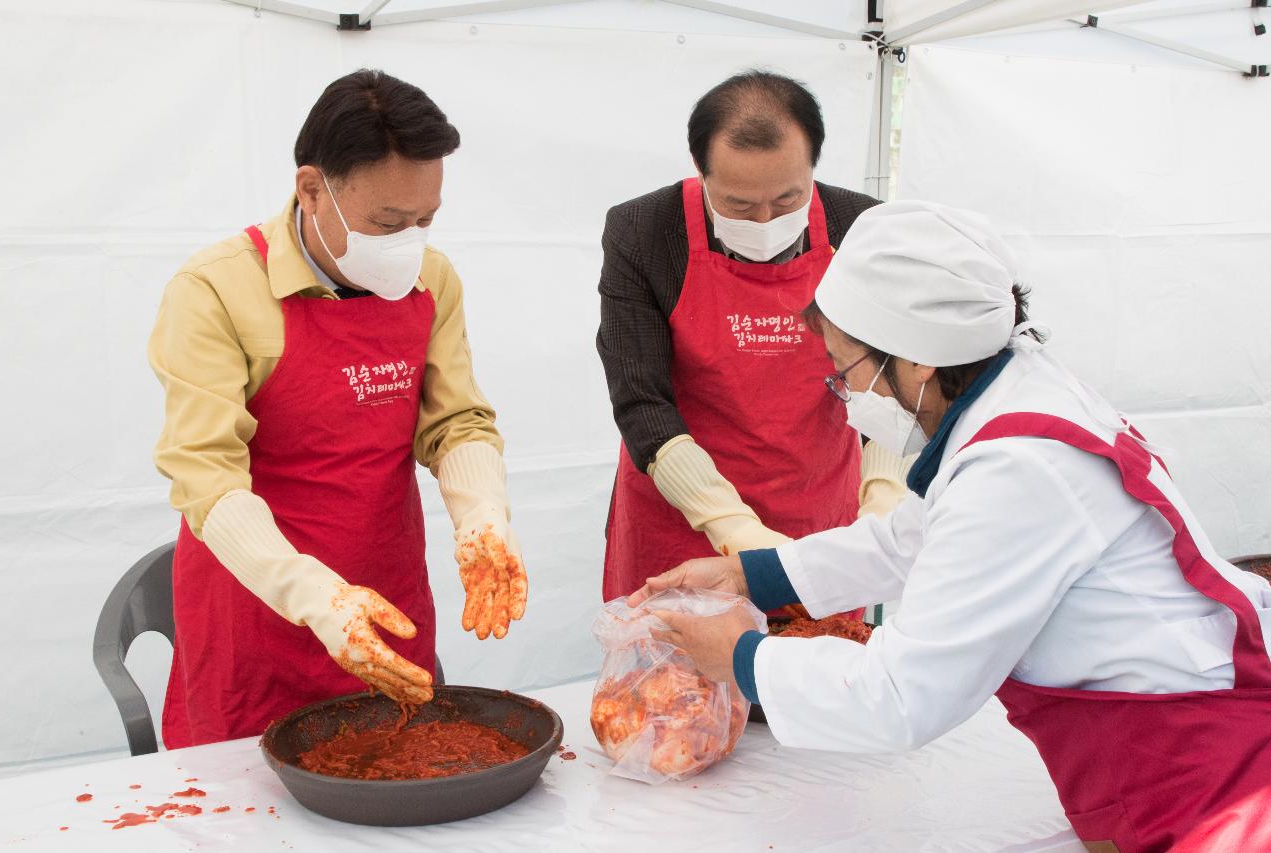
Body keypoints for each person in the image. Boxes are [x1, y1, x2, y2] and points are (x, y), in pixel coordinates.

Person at [632, 201, 1271, 852]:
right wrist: (750, 573)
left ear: (918, 361)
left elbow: (901, 694)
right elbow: (910, 537)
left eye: (849, 372)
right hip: (1154, 742)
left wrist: (741, 654)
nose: (849, 398)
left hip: (1201, 778)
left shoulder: (1018, 467)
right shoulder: (1015, 398)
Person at [148, 70, 526, 748]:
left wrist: (482, 516)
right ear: (312, 188)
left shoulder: (432, 279)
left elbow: (456, 422)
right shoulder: (216, 290)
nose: (410, 243)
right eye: (387, 222)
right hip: (259, 619)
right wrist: (312, 595)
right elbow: (207, 477)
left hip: (387, 600)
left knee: (394, 778)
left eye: (425, 221)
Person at [597, 70, 909, 603]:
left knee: (815, 676)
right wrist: (734, 528)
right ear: (700, 168)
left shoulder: (862, 226)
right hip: (684, 516)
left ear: (813, 164)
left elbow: (894, 377)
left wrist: (880, 504)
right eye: (739, 205)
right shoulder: (645, 231)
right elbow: (640, 399)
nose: (764, 219)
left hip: (821, 514)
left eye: (787, 200)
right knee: (672, 680)